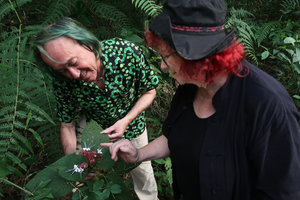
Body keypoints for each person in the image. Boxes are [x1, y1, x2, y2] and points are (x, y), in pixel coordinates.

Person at [101, 0, 300, 199]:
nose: (162, 66)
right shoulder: (188, 90)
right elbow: (174, 137)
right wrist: (139, 154)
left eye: (166, 57)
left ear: (195, 60)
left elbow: (283, 191)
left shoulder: (267, 105)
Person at [35, 17, 159, 200]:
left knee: (143, 173)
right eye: (63, 70)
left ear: (87, 43)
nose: (74, 75)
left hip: (134, 126)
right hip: (94, 133)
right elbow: (67, 125)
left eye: (73, 62)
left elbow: (149, 92)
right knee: (89, 181)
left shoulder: (126, 53)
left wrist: (126, 120)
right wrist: (76, 163)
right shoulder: (63, 82)